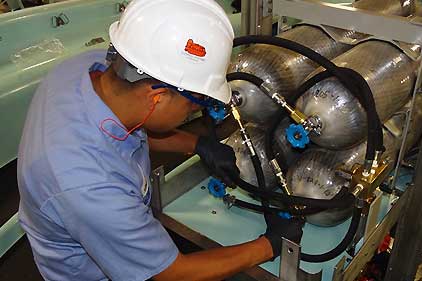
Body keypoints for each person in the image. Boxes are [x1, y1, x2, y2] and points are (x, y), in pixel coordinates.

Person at [17, 0, 303, 280]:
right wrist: (268, 246)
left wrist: (197, 145)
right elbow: (172, 273)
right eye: (194, 104)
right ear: (157, 97)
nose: (196, 111)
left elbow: (118, 136)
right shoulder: (90, 187)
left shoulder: (84, 71)